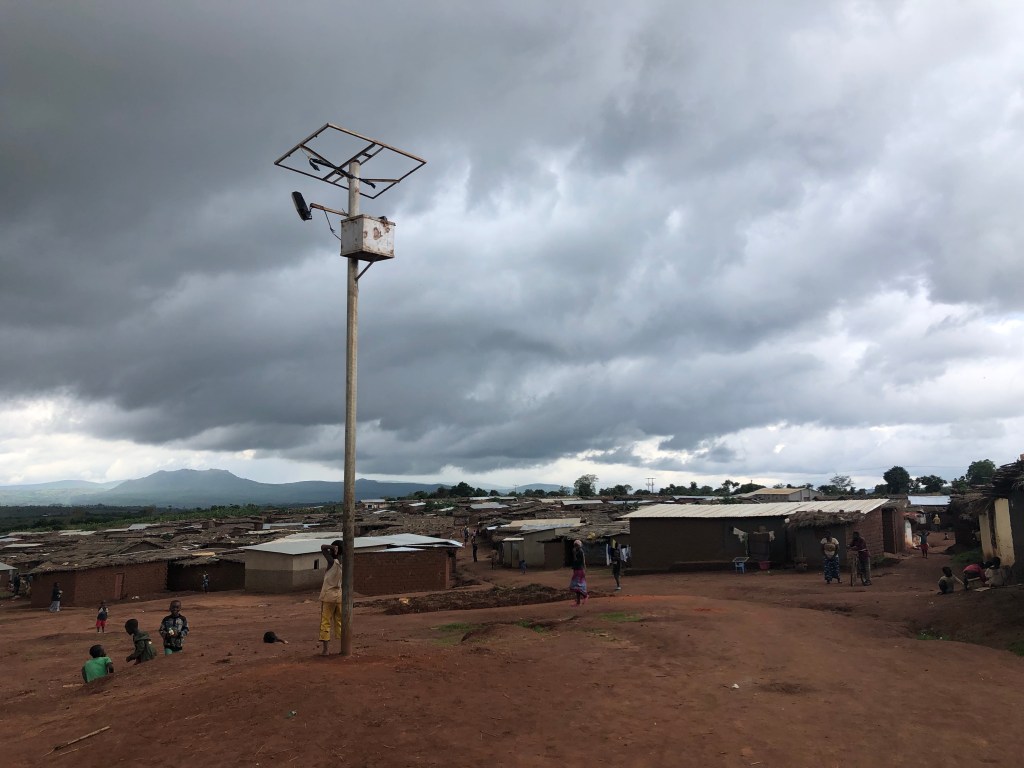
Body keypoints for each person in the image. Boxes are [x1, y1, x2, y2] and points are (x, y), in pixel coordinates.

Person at [318, 539, 344, 655]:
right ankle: (344, 647)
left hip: (328, 596)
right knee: (339, 622)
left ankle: (326, 650)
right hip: (339, 595)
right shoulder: (344, 564)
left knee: (326, 622)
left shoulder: (332, 562)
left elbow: (323, 548)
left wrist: (332, 548)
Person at [569, 539, 588, 606]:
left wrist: (574, 554)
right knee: (576, 587)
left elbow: (579, 562)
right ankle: (578, 601)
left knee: (577, 587)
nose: (575, 547)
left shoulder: (580, 552)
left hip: (579, 570)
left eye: (576, 545)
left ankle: (584, 596)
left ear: (579, 546)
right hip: (576, 570)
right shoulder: (577, 551)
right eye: (575, 545)